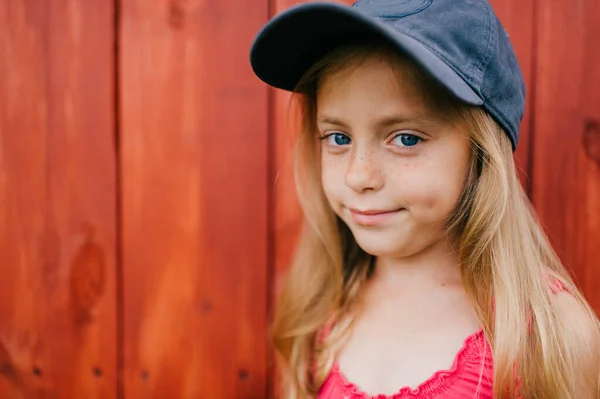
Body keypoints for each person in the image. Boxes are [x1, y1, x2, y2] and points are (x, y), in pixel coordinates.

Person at [249, 1, 600, 398]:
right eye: (339, 138)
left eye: (405, 139)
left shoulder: (547, 336)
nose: (358, 175)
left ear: (481, 153)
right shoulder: (320, 311)